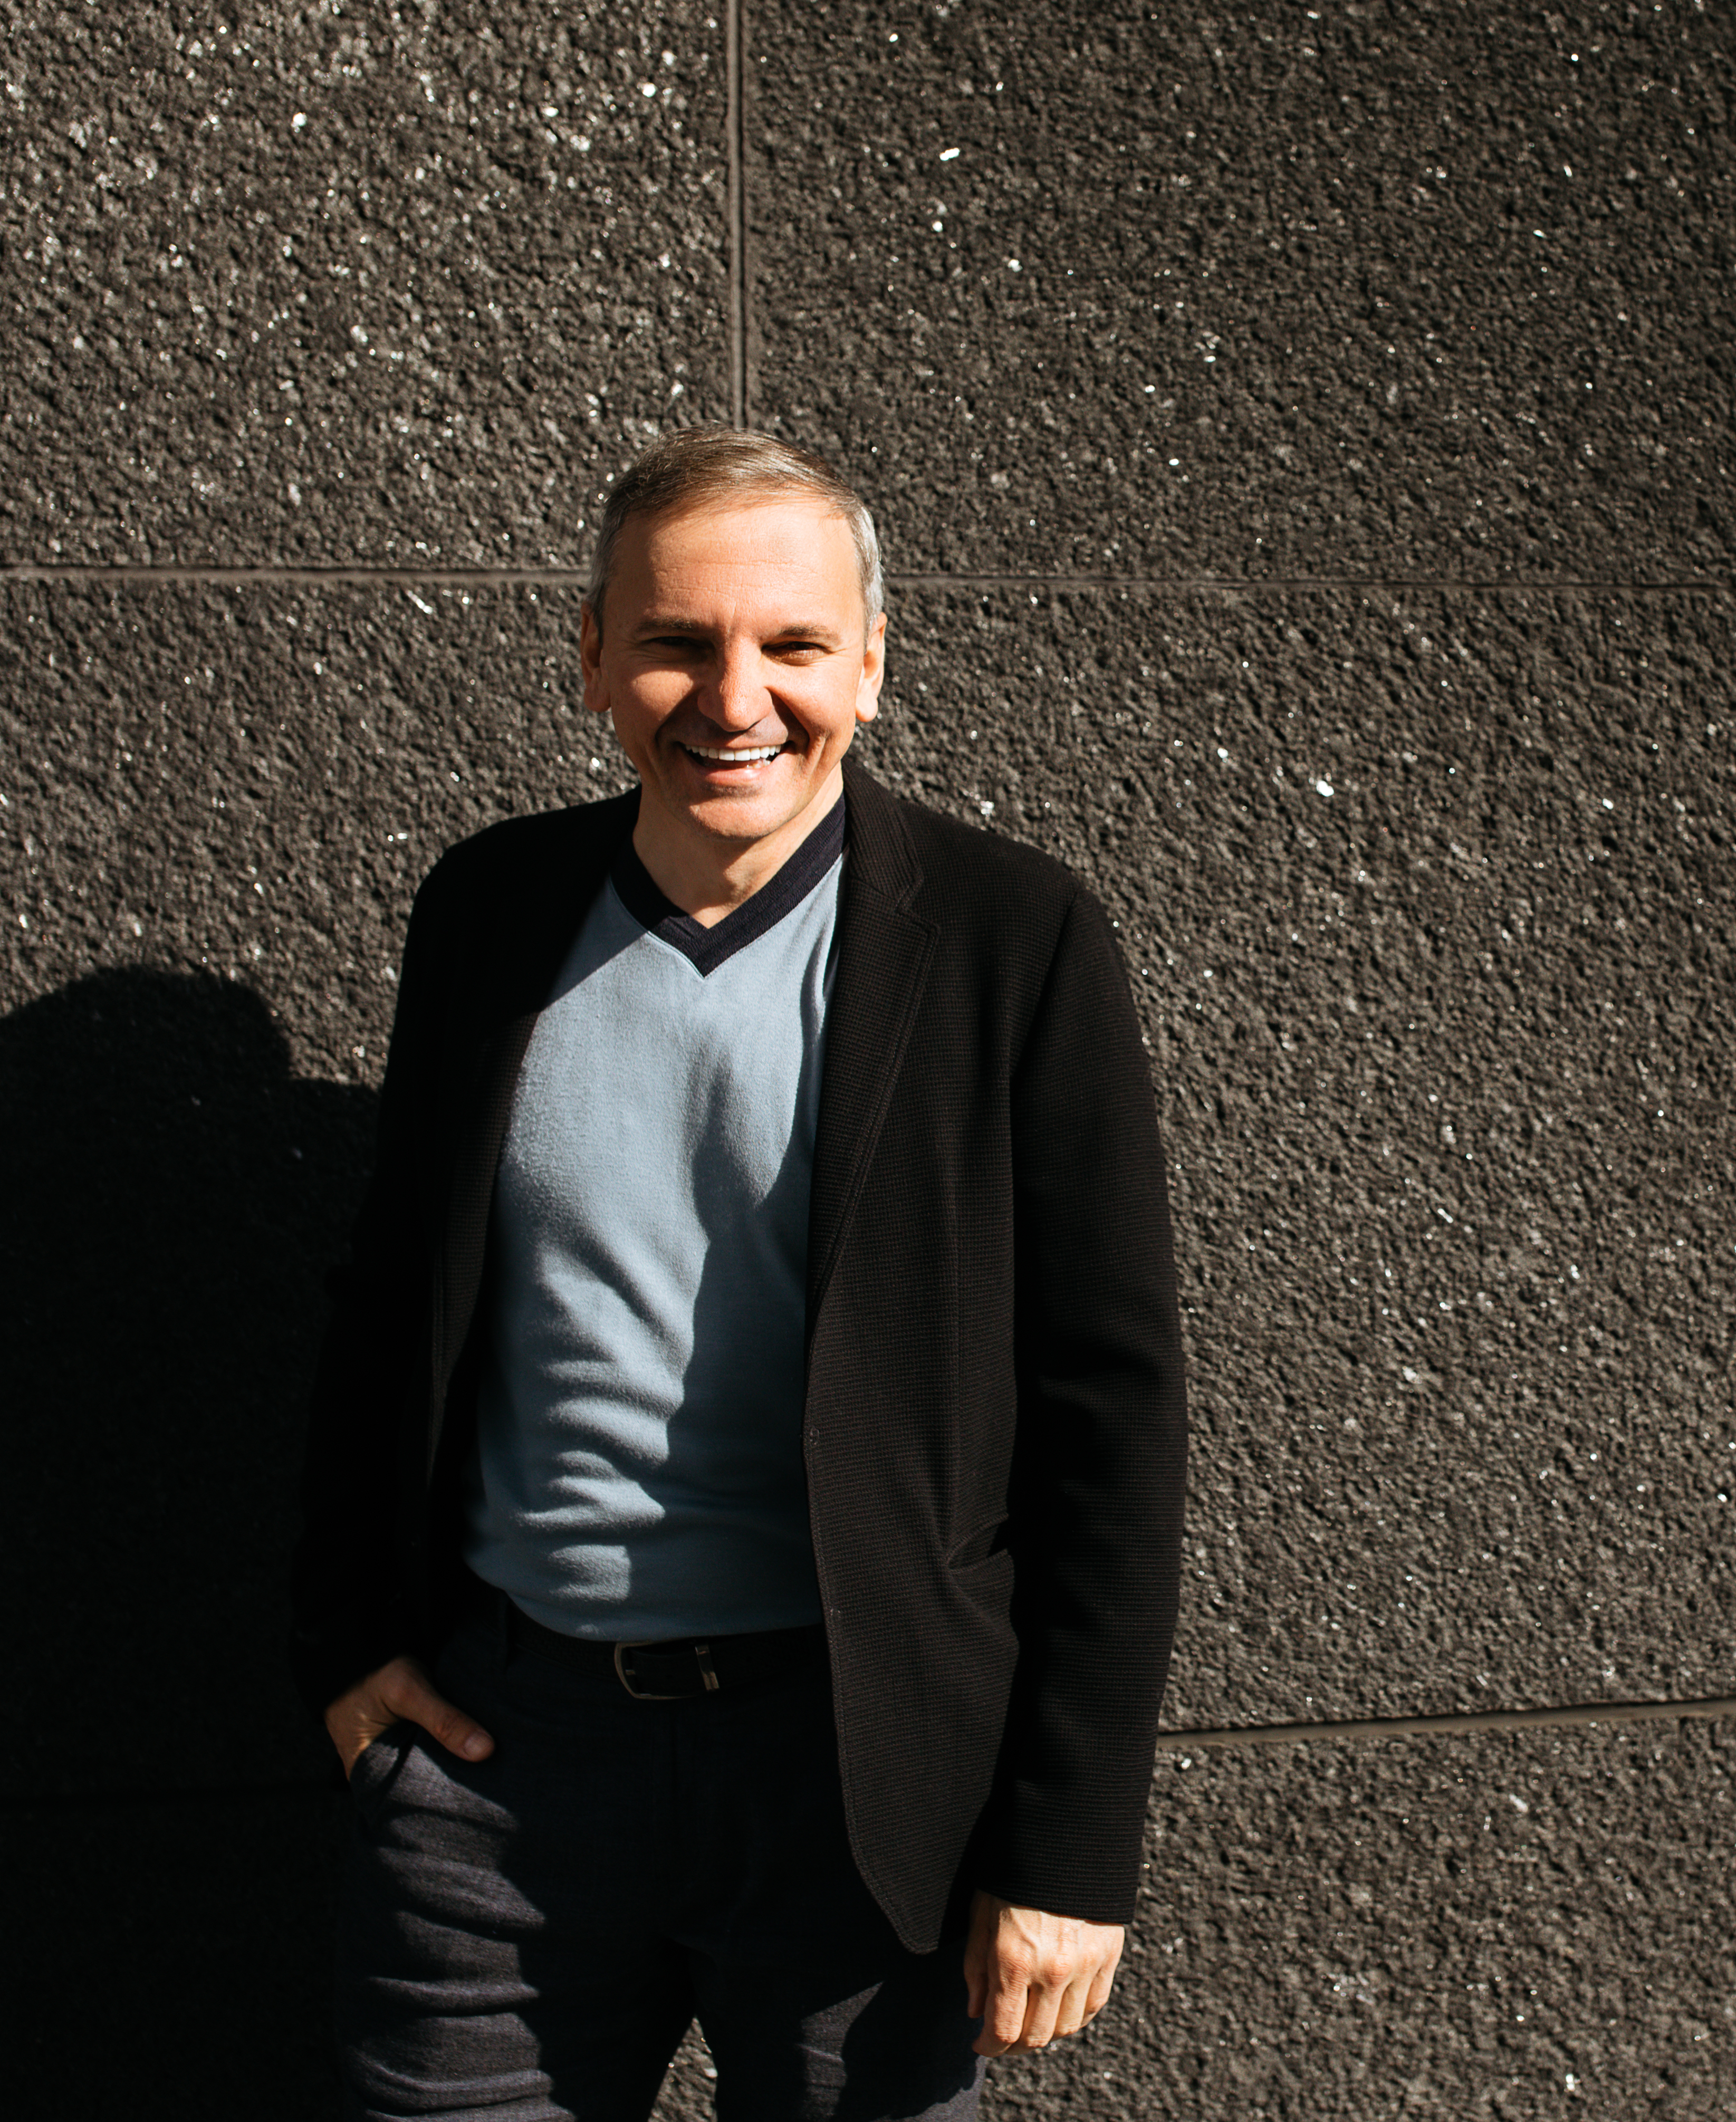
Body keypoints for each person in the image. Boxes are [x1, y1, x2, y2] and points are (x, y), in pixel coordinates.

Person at [290, 426, 1188, 2120]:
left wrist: (1070, 1842)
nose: (733, 696)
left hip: (856, 1781)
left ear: (868, 662)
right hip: (503, 1777)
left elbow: (1110, 1415)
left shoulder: (1011, 939)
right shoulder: (490, 913)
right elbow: (386, 1299)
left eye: (789, 644)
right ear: (591, 659)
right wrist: (345, 1643)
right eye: (675, 641)